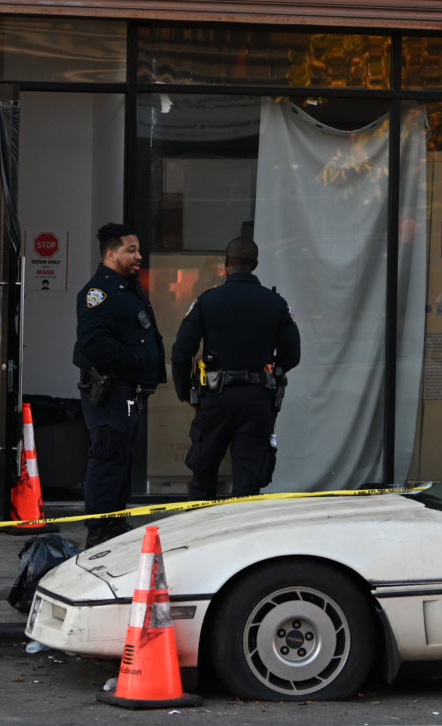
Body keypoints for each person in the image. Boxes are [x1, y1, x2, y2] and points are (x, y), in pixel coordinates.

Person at [171, 236, 301, 499]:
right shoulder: (275, 303)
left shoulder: (207, 301)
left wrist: (186, 392)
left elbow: (181, 352)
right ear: (255, 264)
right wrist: (270, 373)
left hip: (215, 399)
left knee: (203, 474)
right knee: (249, 480)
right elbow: (292, 355)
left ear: (226, 263)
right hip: (257, 399)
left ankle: (201, 536)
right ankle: (242, 537)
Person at [74, 223, 166, 546]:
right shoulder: (99, 292)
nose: (139, 256)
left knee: (121, 462)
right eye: (132, 250)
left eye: (138, 249)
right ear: (111, 254)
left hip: (128, 393)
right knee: (107, 459)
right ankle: (99, 533)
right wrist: (135, 360)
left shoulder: (127, 289)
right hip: (110, 392)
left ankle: (114, 524)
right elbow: (93, 343)